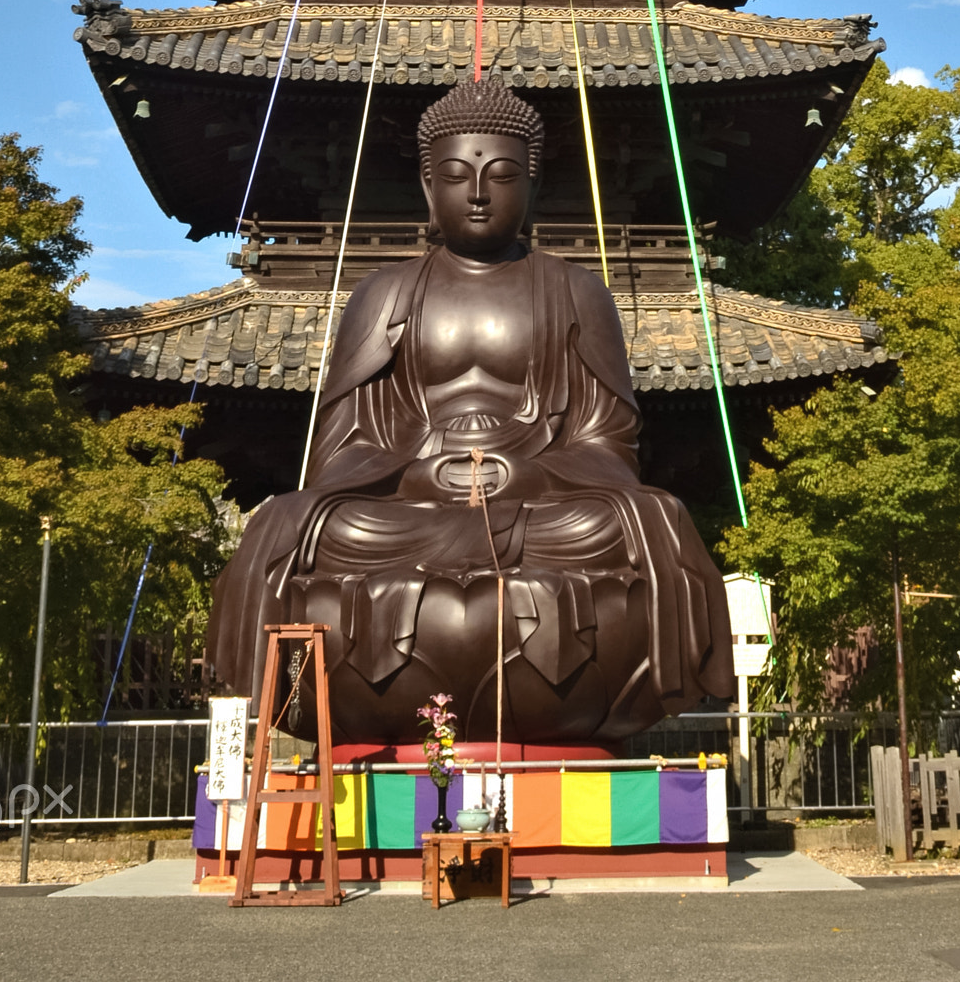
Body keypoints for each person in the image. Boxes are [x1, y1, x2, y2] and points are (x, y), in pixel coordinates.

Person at [206, 78, 734, 743]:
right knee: (289, 521)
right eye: (456, 176)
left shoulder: (576, 291)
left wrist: (529, 473)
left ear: (532, 184)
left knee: (651, 517)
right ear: (429, 187)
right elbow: (341, 448)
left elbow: (608, 442)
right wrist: (417, 474)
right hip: (409, 508)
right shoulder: (384, 293)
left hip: (538, 507)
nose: (478, 192)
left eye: (502, 175)